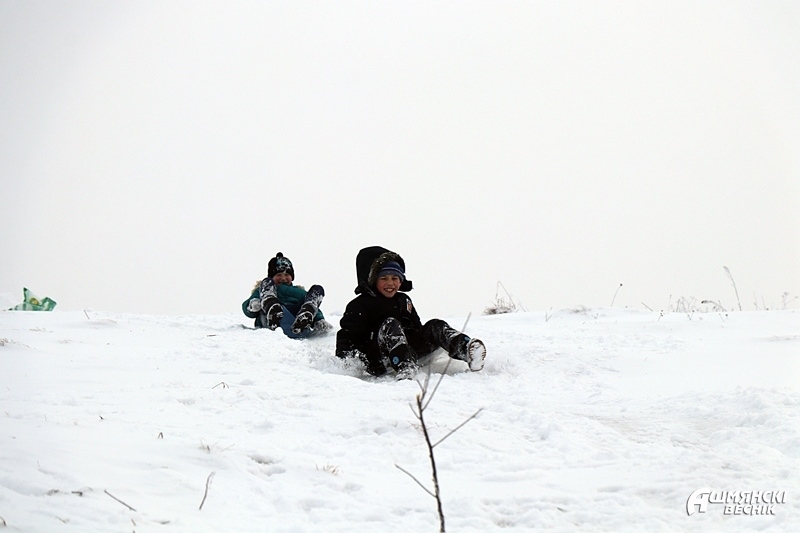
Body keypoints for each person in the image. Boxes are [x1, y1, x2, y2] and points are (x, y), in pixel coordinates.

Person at [335, 246, 486, 379]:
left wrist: (426, 336)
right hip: (379, 359)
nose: (390, 283)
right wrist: (346, 362)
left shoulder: (404, 300)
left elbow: (416, 327)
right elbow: (348, 336)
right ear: (372, 280)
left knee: (435, 325)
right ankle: (404, 365)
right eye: (384, 278)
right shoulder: (360, 305)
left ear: (401, 281)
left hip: (410, 352)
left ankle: (466, 349)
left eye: (395, 278)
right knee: (390, 324)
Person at [243, 252, 332, 338]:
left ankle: (306, 313)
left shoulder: (298, 292)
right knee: (266, 282)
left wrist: (318, 319)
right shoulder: (264, 289)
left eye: (286, 274)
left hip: (296, 325)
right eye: (279, 274)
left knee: (317, 289)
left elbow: (317, 310)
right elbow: (247, 308)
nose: (283, 278)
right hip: (271, 327)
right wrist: (253, 305)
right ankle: (271, 306)